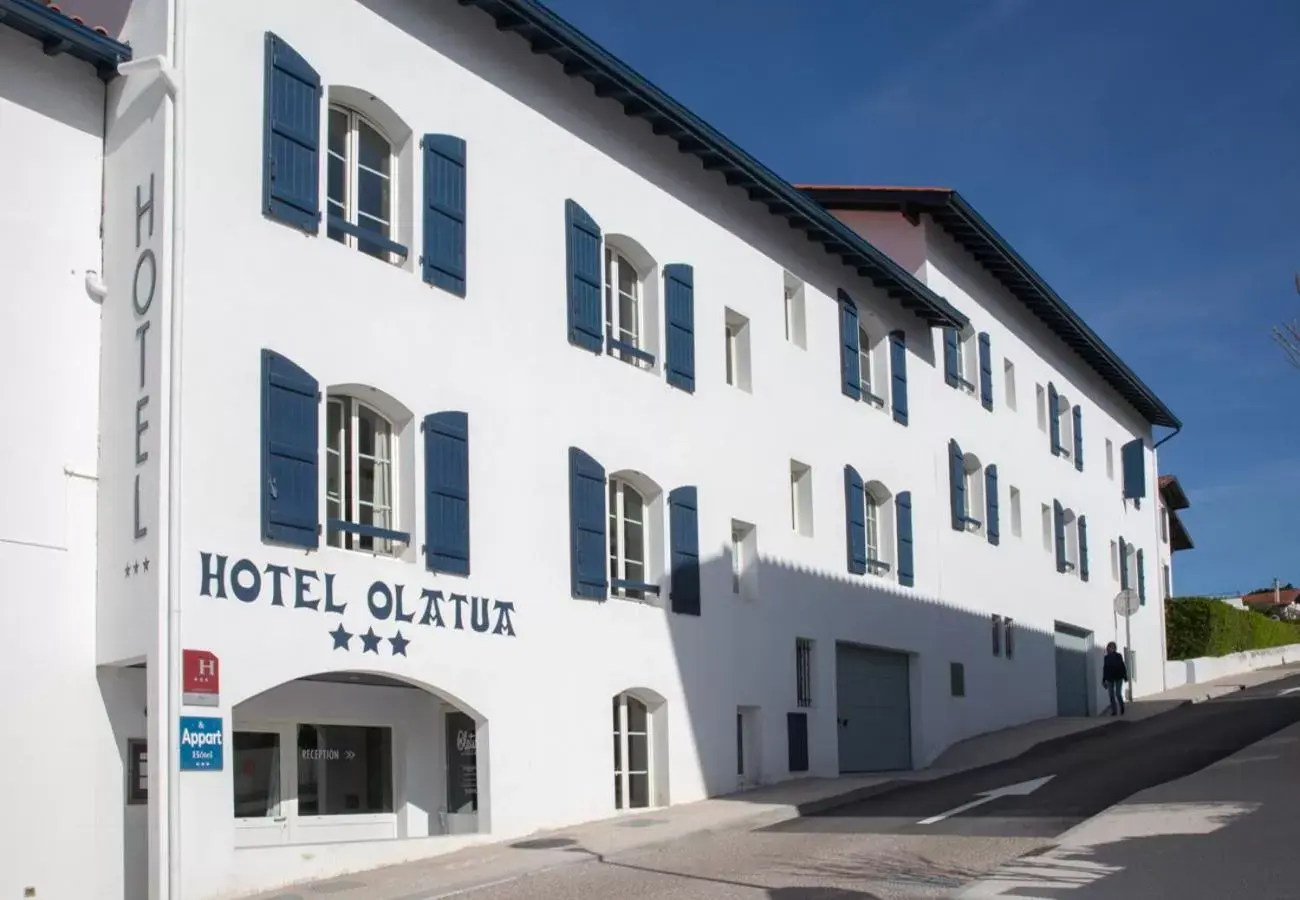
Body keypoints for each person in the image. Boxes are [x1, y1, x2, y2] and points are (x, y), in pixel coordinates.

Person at [1102, 642, 1128, 716]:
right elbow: (1105, 669)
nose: (1107, 649)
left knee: (1118, 694)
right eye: (1107, 648)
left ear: (1112, 648)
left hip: (1118, 677)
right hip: (1110, 678)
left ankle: (1121, 706)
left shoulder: (1118, 656)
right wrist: (1104, 680)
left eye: (1108, 648)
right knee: (1111, 695)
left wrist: (1125, 676)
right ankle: (1114, 711)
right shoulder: (1106, 658)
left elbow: (1122, 666)